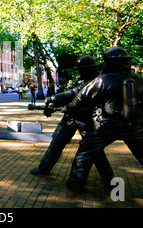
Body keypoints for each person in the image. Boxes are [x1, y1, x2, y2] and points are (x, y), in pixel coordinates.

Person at [65, 46, 143, 208]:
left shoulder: (101, 81)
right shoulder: (140, 80)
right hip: (134, 127)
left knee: (85, 152)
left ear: (108, 62)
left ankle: (75, 183)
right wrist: (138, 113)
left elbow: (77, 103)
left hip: (105, 127)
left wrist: (69, 109)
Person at [30, 55, 114, 187]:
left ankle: (108, 177)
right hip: (71, 117)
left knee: (94, 150)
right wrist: (53, 105)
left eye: (82, 69)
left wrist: (53, 98)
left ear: (89, 69)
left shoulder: (95, 81)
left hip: (87, 119)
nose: (79, 72)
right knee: (57, 143)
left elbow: (76, 93)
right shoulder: (81, 79)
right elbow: (71, 96)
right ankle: (44, 167)